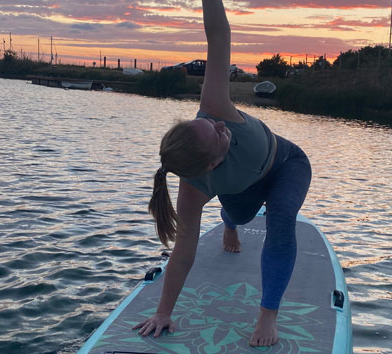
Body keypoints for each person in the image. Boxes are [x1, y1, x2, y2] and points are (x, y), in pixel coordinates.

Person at [133, 0, 312, 347]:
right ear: (210, 166)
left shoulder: (214, 105)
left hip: (287, 163)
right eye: (215, 133)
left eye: (208, 122)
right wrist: (164, 313)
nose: (218, 123)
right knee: (240, 215)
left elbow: (218, 35)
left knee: (281, 218)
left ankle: (267, 314)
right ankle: (229, 221)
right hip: (240, 192)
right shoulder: (194, 189)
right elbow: (183, 253)